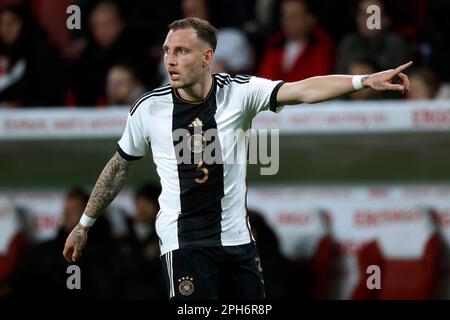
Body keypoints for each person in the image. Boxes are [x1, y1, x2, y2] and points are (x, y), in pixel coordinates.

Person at [63, 17, 412, 300]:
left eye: (181, 51)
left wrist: (361, 80)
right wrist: (84, 225)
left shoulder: (239, 92)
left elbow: (303, 90)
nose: (170, 59)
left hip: (238, 243)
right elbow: (120, 165)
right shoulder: (149, 108)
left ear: (206, 56)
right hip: (185, 244)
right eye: (167, 50)